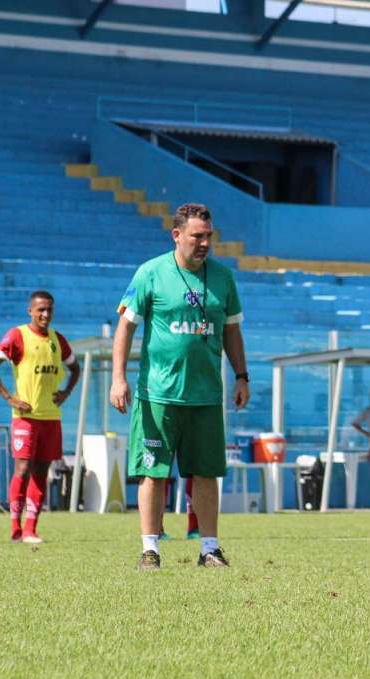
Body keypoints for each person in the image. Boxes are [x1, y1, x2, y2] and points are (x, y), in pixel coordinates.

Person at [110, 203, 249, 571]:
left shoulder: (223, 278)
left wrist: (242, 375)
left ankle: (209, 549)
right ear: (177, 235)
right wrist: (118, 378)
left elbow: (232, 330)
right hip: (158, 395)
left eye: (208, 236)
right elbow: (125, 327)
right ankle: (150, 549)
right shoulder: (150, 273)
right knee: (153, 472)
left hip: (205, 397)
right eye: (196, 236)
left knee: (205, 472)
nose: (204, 243)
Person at [0, 291, 80, 543]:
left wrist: (66, 392)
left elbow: (75, 368)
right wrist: (10, 398)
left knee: (41, 472)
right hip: (25, 417)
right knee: (22, 469)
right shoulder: (17, 335)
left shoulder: (57, 340)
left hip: (50, 418)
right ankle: (15, 527)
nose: (45, 314)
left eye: (49, 310)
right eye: (40, 310)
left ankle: (31, 529)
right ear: (30, 311)